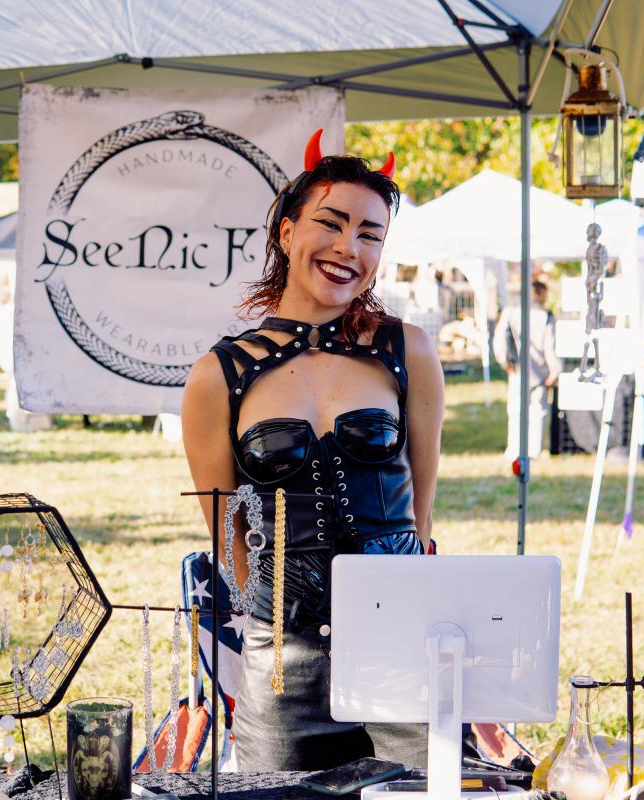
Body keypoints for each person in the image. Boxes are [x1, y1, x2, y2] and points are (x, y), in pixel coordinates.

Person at [181, 142, 444, 771]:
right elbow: (226, 530)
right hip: (283, 664)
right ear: (286, 230)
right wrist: (274, 619)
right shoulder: (219, 375)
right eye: (331, 223)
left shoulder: (407, 351)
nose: (349, 247)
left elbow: (422, 510)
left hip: (402, 647)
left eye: (370, 234)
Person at [492, 280, 558, 459]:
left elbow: (500, 341)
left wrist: (506, 362)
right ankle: (533, 450)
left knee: (516, 411)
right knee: (537, 411)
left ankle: (514, 449)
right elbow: (550, 346)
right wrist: (554, 370)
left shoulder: (510, 312)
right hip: (539, 371)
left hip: (518, 370)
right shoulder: (545, 316)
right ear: (540, 293)